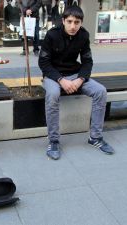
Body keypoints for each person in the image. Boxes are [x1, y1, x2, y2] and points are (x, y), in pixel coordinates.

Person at [38, 5, 114, 160]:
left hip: (75, 74)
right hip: (53, 75)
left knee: (100, 91)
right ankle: (53, 141)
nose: (73, 26)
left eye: (77, 22)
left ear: (81, 23)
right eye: (70, 21)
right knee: (53, 94)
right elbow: (44, 63)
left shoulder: (83, 36)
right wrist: (60, 80)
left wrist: (80, 79)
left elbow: (87, 62)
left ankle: (95, 137)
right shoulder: (52, 35)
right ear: (63, 21)